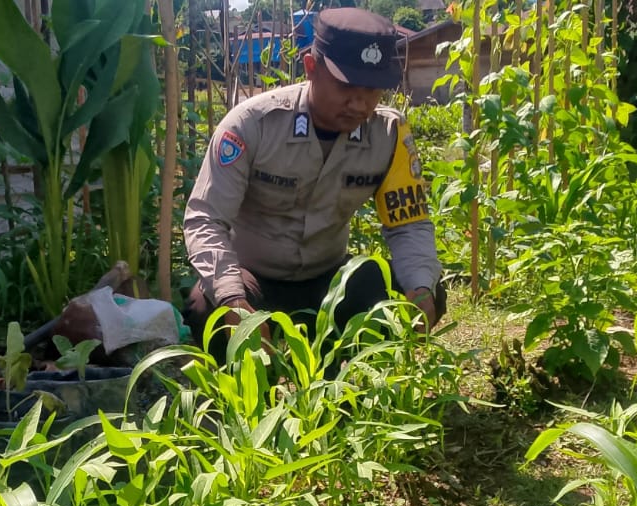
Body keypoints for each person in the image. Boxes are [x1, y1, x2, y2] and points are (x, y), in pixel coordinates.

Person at [183, 7, 443, 361]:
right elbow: (206, 219)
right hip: (255, 280)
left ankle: (349, 383)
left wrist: (420, 288)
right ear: (310, 68)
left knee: (420, 292)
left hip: (330, 279)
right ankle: (254, 393)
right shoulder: (251, 126)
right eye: (347, 85)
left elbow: (408, 224)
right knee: (207, 308)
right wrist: (232, 296)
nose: (360, 103)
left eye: (374, 90)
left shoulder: (389, 135)